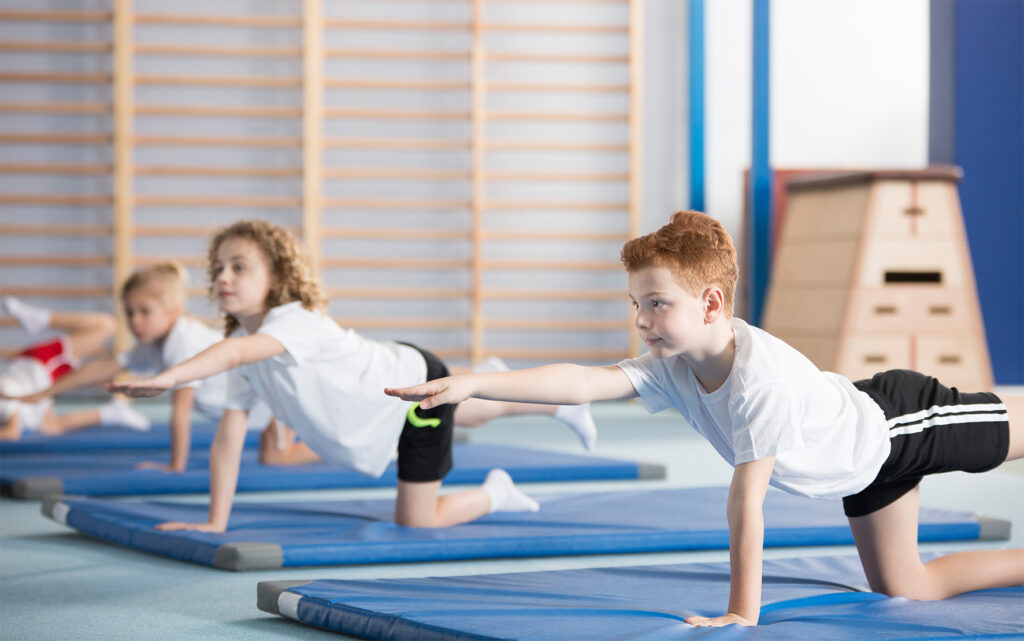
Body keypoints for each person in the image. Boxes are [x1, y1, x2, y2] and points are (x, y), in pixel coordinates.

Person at [385, 210, 1024, 627]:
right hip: (861, 474)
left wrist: (741, 614)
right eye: (636, 303)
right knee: (910, 589)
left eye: (656, 304)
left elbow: (747, 501)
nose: (641, 319)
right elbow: (583, 380)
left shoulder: (759, 381)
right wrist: (474, 381)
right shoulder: (675, 365)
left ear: (712, 302)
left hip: (897, 424)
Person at [108, 220, 596, 531]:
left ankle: (496, 492)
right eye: (218, 269)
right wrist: (216, 522)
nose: (224, 278)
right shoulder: (247, 345)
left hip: (408, 389)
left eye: (239, 267)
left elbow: (235, 352)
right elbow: (228, 439)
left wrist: (170, 378)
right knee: (470, 414)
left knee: (418, 521)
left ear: (276, 278)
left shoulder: (293, 320)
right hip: (388, 400)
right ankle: (543, 397)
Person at [11, 263, 271, 471]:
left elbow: (181, 413)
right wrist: (43, 393)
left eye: (145, 311)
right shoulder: (154, 343)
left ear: (173, 311)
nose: (135, 321)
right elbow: (99, 370)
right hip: (256, 409)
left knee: (278, 456)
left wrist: (175, 466)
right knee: (273, 456)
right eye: (129, 312)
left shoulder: (184, 343)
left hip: (268, 402)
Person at [0, 296, 149, 440]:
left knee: (106, 326)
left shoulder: (7, 392)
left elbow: (13, 431)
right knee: (50, 427)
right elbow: (13, 430)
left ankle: (41, 318)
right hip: (34, 378)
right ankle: (110, 412)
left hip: (36, 368)